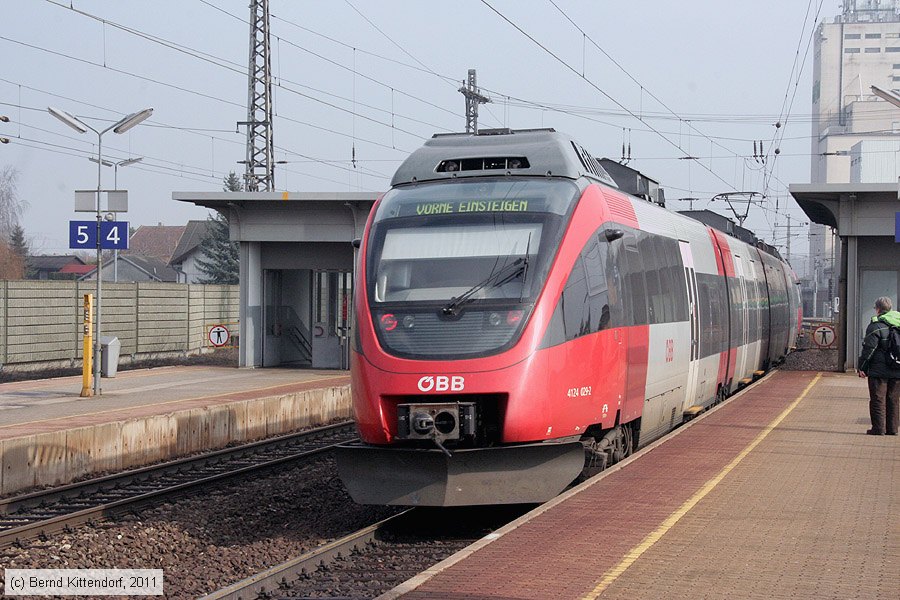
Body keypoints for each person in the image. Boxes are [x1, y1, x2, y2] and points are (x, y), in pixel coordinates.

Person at [857, 296, 900, 435]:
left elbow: (869, 349)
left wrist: (862, 367)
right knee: (893, 400)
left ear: (878, 309)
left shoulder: (875, 326)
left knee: (878, 399)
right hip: (897, 368)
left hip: (879, 371)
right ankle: (892, 429)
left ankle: (878, 429)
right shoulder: (898, 323)